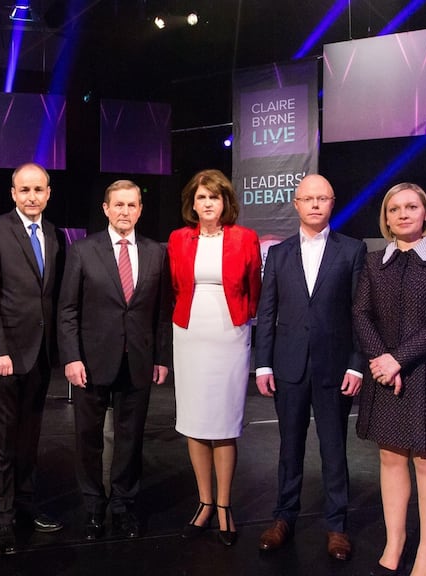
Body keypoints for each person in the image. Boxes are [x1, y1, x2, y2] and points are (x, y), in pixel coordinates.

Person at [353, 182, 426, 576]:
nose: (402, 214)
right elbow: (361, 315)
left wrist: (396, 359)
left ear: (425, 213)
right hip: (387, 374)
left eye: (411, 206)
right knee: (390, 457)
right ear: (385, 218)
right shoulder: (373, 262)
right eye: (394, 209)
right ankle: (395, 541)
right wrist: (383, 361)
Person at [253, 174, 366, 560]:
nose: (315, 204)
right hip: (287, 365)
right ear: (296, 204)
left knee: (334, 450)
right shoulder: (279, 253)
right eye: (308, 198)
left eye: (323, 198)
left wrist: (357, 365)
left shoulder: (352, 250)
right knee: (289, 448)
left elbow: (360, 314)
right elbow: (266, 311)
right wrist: (262, 363)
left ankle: (337, 526)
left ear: (333, 203)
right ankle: (284, 517)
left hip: (335, 368)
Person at [57, 180, 172, 541]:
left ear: (140, 209)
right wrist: (72, 357)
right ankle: (94, 507)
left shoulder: (156, 252)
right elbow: (68, 310)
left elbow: (161, 312)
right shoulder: (83, 250)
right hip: (91, 362)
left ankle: (124, 506)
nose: (125, 212)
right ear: (105, 209)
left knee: (130, 439)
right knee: (88, 438)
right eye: (118, 205)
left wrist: (160, 358)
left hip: (137, 361)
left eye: (131, 205)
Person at [0, 162, 66, 556]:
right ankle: (1, 519)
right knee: (0, 441)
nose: (31, 196)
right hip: (5, 355)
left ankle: (26, 507)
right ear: (13, 193)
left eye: (38, 189)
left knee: (29, 438)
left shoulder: (55, 233)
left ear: (48, 193)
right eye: (24, 189)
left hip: (41, 354)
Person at [167, 168, 262, 547]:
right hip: (189, 331)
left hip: (230, 333)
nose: (208, 203)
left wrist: (242, 319)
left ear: (226, 202)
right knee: (194, 421)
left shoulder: (245, 238)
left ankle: (224, 506)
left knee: (224, 423)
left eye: (215, 197)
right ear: (193, 203)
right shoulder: (178, 238)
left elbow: (254, 285)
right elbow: (176, 284)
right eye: (201, 197)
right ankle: (204, 502)